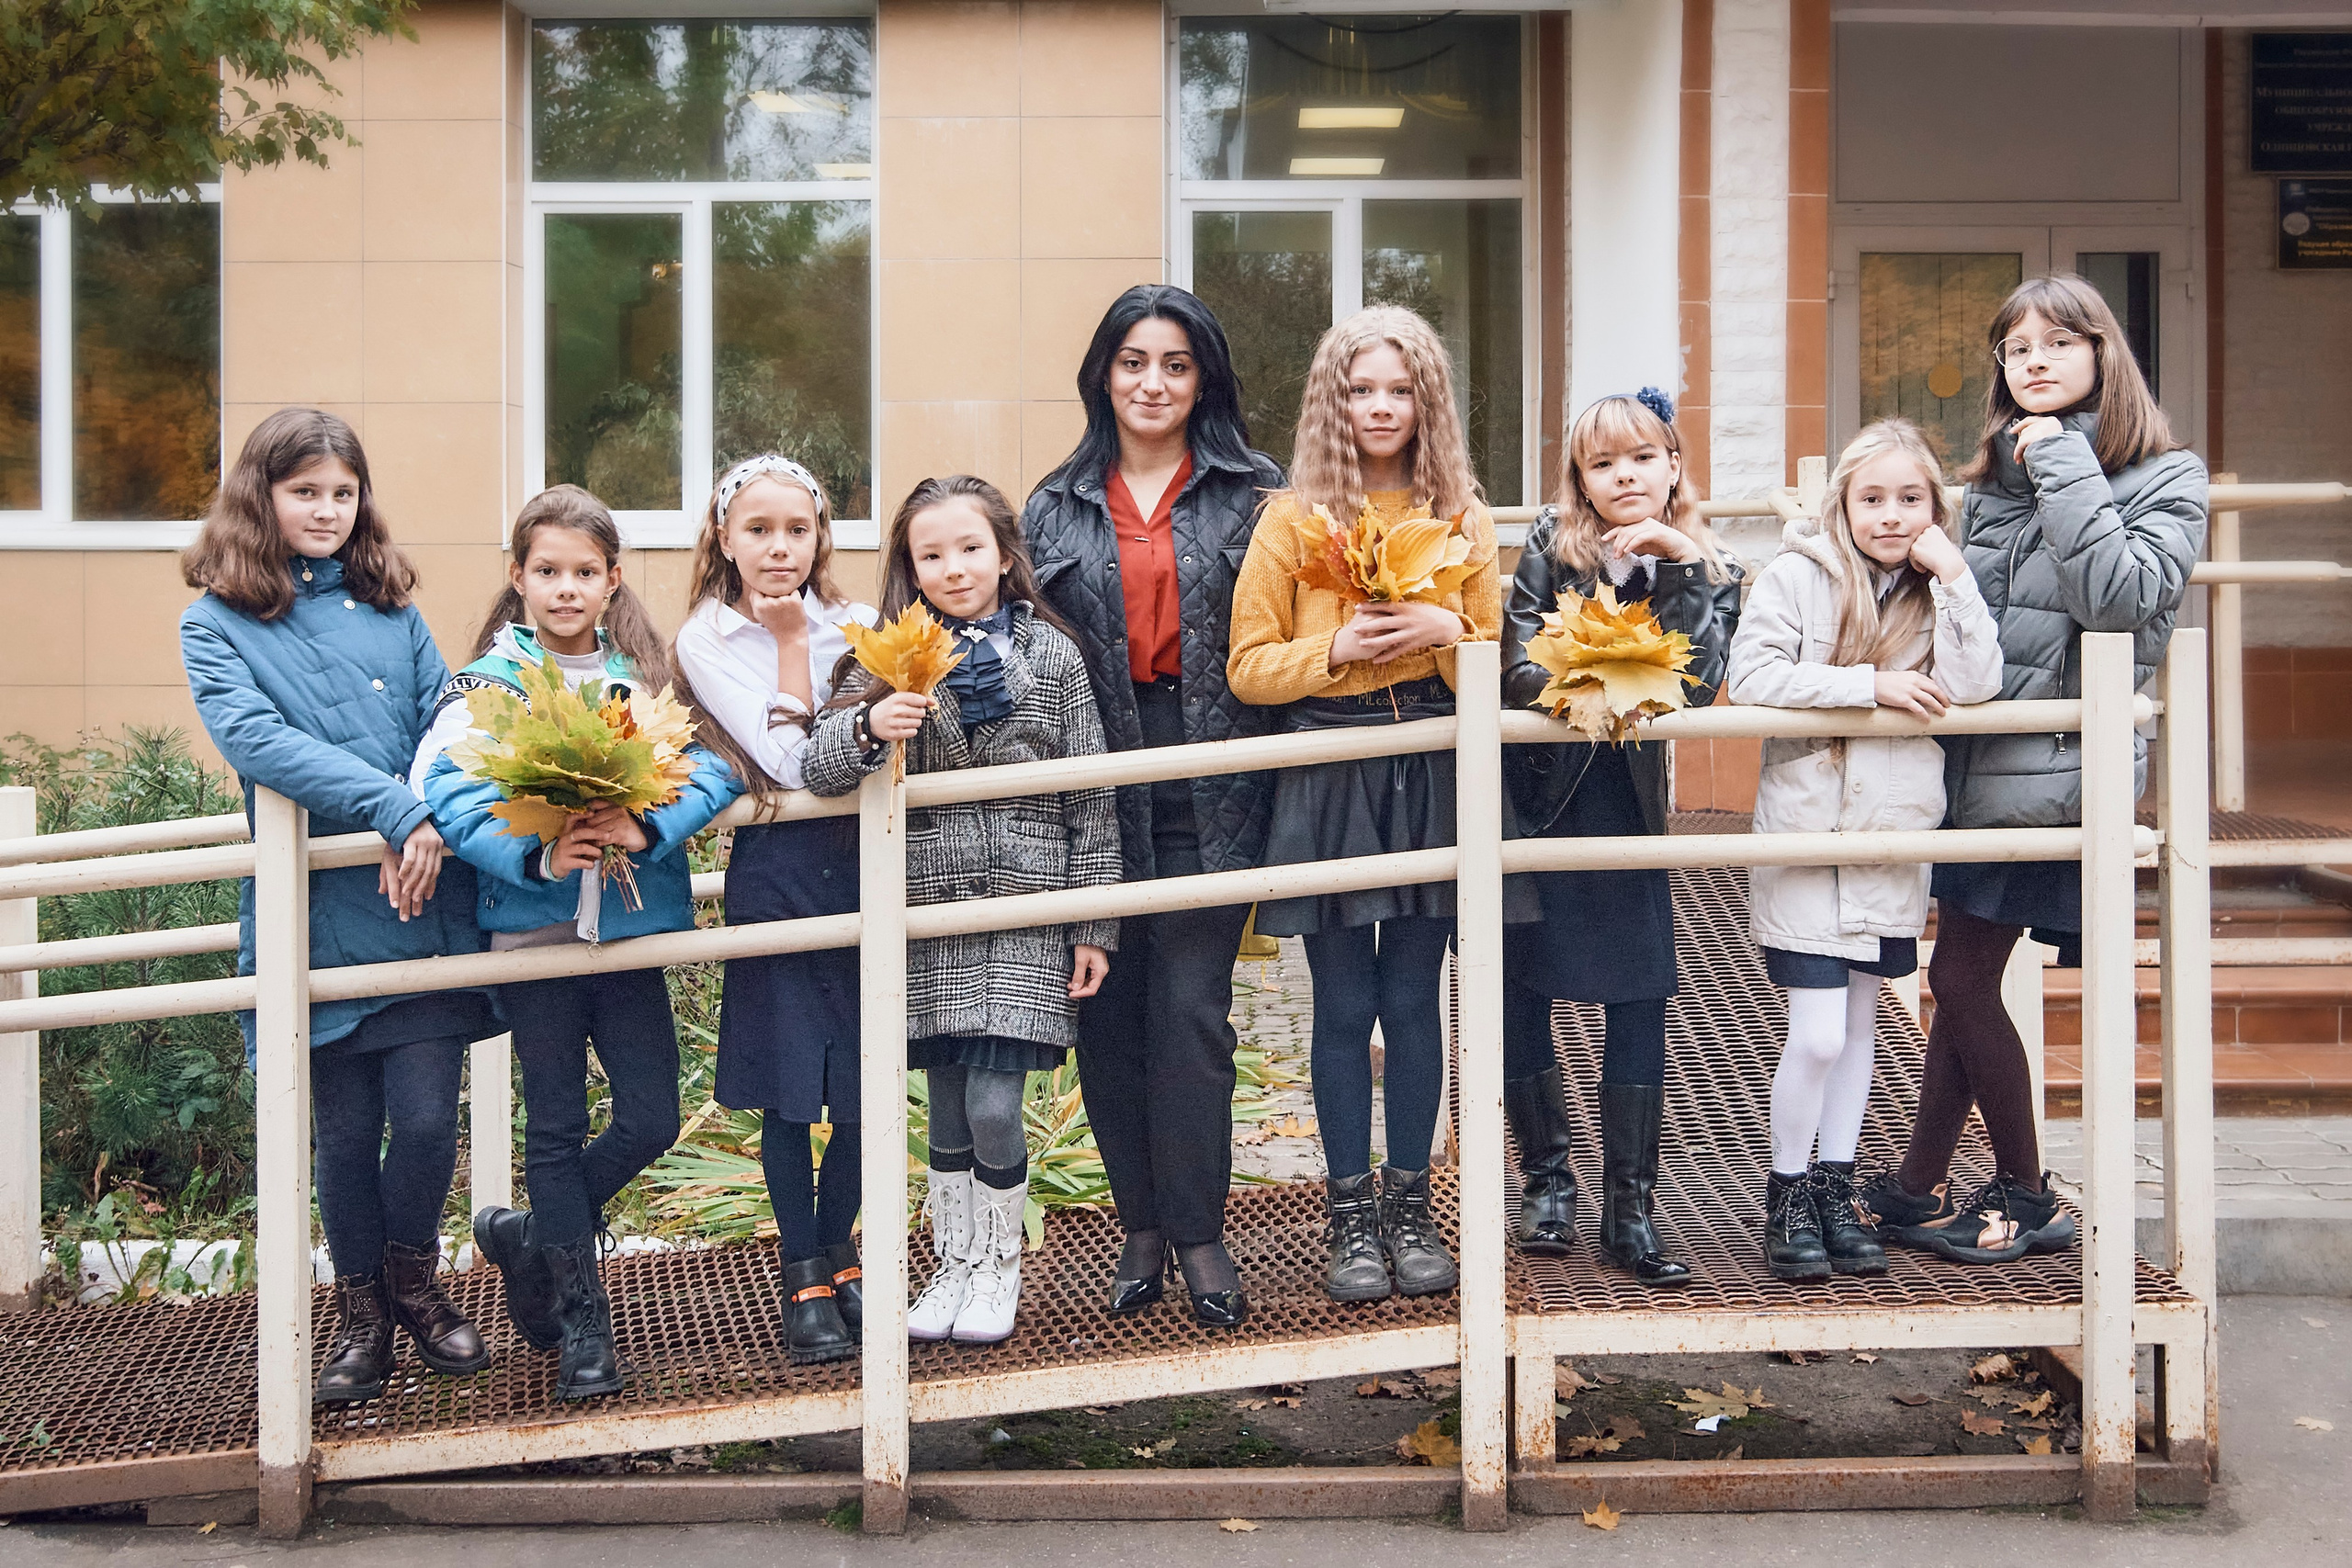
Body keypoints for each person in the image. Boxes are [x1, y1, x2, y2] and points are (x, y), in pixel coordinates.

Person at [1860, 274, 2206, 1263]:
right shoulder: (1992, 487)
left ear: (2105, 355)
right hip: (1975, 769)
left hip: (2061, 773)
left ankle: (2025, 1190)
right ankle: (1917, 1187)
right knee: (1962, 976)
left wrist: (2063, 462)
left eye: (2059, 342)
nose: (2036, 361)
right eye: (2016, 350)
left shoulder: (2167, 476)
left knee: (1959, 975)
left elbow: (2115, 601)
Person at [180, 408, 499, 1404]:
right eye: (304, 491)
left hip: (419, 895)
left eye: (342, 492)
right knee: (346, 1132)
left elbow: (440, 721)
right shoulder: (214, 621)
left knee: (427, 1118)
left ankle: (413, 1282)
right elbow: (258, 742)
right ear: (261, 497)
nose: (325, 510)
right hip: (316, 910)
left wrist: (432, 811)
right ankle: (361, 1318)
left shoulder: (391, 607)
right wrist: (394, 807)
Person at [419, 485, 740, 1393]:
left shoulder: (646, 673)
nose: (566, 589)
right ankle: (585, 1326)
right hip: (535, 935)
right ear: (518, 578)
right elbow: (452, 795)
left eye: (584, 573)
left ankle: (530, 1235)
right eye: (548, 571)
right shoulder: (485, 684)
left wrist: (653, 825)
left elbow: (718, 761)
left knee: (651, 1114)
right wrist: (539, 853)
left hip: (628, 929)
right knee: (555, 1124)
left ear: (612, 580)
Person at [1227, 305, 1506, 1304]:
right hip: (1330, 767)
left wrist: (1445, 628)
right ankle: (1347, 1218)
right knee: (1344, 1002)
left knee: (1413, 999)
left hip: (1429, 766)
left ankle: (1412, 1206)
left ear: (1425, 400)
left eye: (1398, 389)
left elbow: (1497, 663)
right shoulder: (1291, 517)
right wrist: (1332, 652)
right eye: (1360, 390)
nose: (1379, 407)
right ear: (1331, 403)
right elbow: (1249, 668)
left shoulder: (1464, 518)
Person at [805, 475, 1121, 1345]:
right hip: (927, 907)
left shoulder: (1052, 655)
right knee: (942, 1097)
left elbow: (1089, 792)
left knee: (992, 1100)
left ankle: (999, 1266)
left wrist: (1094, 922)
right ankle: (952, 1263)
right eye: (930, 554)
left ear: (1006, 554)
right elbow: (817, 766)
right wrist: (874, 724)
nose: (953, 568)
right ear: (908, 566)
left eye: (970, 548)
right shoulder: (884, 655)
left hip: (1026, 904)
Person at [1021, 285, 1283, 1328]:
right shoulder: (1053, 503)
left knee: (1188, 1016)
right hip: (1093, 786)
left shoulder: (1255, 493)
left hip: (1213, 779)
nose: (1152, 383)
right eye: (1133, 362)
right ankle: (1139, 1227)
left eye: (1175, 364)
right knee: (1108, 1020)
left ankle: (1200, 1233)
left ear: (1203, 380)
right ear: (1103, 374)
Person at [1727, 420, 2002, 1280]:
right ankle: (1788, 1192)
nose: (1890, 515)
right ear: (1842, 503)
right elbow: (1755, 674)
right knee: (1812, 1035)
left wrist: (1954, 579)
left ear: (1934, 506)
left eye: (1909, 499)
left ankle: (1836, 1196)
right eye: (1872, 497)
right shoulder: (1796, 576)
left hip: (1889, 839)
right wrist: (1868, 686)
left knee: (1856, 1028)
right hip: (1811, 835)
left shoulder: (1936, 590)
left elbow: (1977, 681)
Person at [1498, 389, 1740, 1288]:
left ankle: (1630, 1210)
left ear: (1673, 464)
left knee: (1640, 996)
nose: (1624, 475)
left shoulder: (1716, 567)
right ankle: (1547, 1185)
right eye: (1603, 464)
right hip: (1541, 800)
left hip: (1628, 807)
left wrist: (1681, 568)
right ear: (1581, 481)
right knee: (1524, 990)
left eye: (1641, 456)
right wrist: (1606, 676)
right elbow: (1517, 669)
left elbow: (1698, 681)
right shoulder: (1547, 550)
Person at [672, 455, 876, 1362]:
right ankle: (800, 1270)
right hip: (778, 875)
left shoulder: (864, 625)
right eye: (757, 530)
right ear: (724, 539)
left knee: (867, 1087)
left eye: (797, 530)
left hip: (865, 867)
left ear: (821, 535)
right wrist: (795, 644)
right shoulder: (706, 637)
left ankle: (841, 1253)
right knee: (791, 1095)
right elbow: (790, 763)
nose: (779, 548)